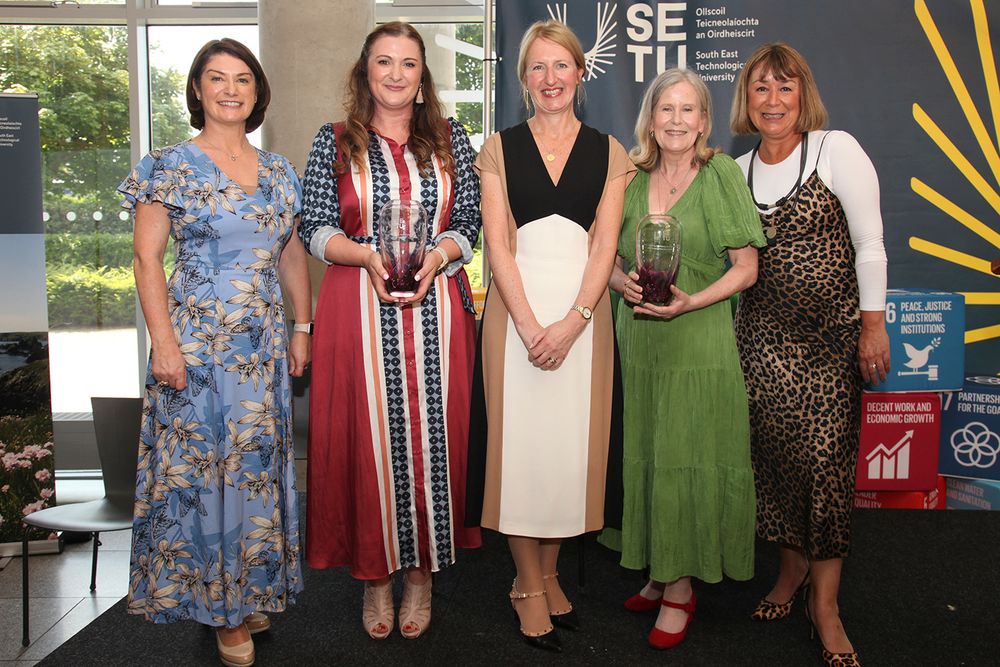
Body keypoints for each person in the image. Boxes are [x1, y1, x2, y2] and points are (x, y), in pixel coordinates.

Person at [122, 38, 310, 667]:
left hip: (259, 354)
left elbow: (290, 254)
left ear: (257, 93)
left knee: (252, 472)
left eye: (242, 80)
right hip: (196, 351)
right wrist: (164, 345)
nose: (230, 89)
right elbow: (147, 258)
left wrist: (301, 327)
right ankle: (219, 609)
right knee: (203, 478)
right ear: (197, 90)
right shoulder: (167, 166)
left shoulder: (281, 171)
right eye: (216, 78)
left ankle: (246, 588)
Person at [298, 22, 482, 641]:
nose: (397, 74)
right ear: (365, 73)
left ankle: (424, 575)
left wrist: (438, 256)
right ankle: (377, 577)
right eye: (384, 62)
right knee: (367, 440)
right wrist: (366, 257)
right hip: (358, 306)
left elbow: (472, 223)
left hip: (440, 310)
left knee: (434, 443)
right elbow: (315, 228)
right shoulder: (334, 142)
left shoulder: (454, 141)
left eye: (408, 63)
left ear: (423, 77)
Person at [468, 19, 632, 653]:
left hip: (583, 324)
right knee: (520, 457)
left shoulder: (611, 151)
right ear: (524, 81)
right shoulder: (498, 149)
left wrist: (574, 322)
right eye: (537, 68)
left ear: (579, 74)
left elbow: (606, 247)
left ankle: (552, 573)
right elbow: (498, 245)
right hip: (515, 321)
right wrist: (533, 325)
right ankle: (528, 584)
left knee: (569, 457)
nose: (550, 78)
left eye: (560, 66)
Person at [730, 42, 890, 667]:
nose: (772, 100)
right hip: (760, 344)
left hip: (829, 345)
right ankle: (790, 572)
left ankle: (826, 607)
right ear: (746, 99)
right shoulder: (737, 170)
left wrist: (872, 328)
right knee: (775, 467)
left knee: (825, 471)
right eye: (760, 88)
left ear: (804, 95)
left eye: (784, 87)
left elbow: (870, 243)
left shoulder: (836, 149)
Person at [598, 68, 765, 650]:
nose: (675, 120)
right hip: (639, 340)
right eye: (665, 108)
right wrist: (623, 286)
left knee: (687, 452)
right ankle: (657, 565)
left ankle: (680, 589)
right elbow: (606, 258)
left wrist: (693, 299)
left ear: (704, 120)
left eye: (687, 110)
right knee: (646, 450)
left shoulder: (719, 174)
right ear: (650, 117)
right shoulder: (630, 176)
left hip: (698, 339)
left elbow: (747, 266)